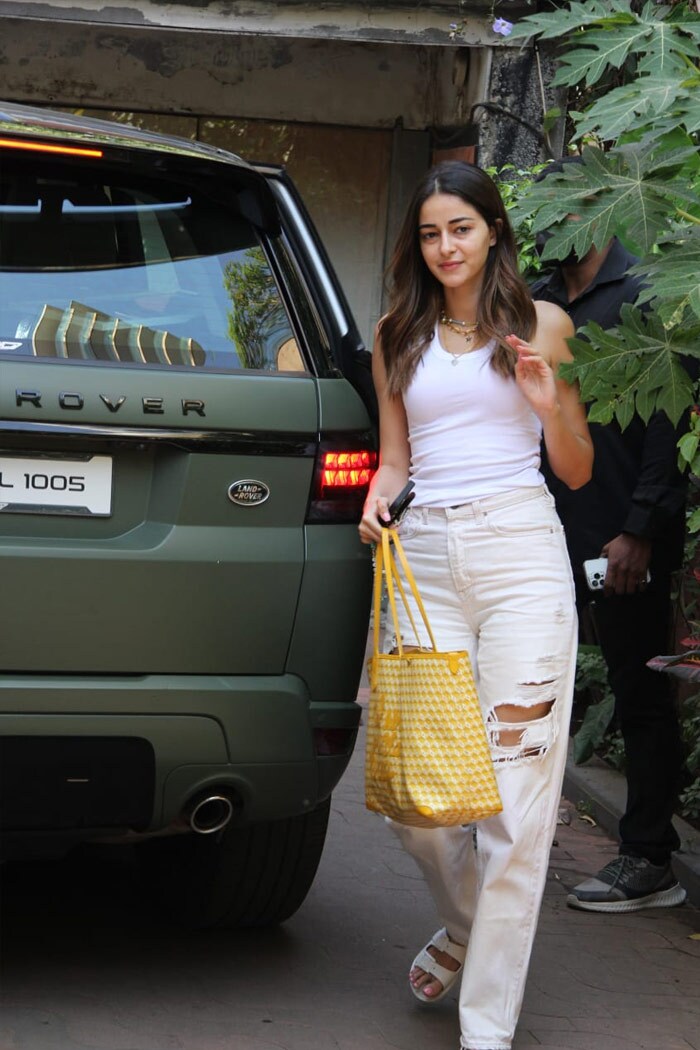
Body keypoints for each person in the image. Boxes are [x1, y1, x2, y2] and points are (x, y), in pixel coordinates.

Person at [358, 159, 593, 1050]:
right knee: (420, 810)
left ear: (492, 229)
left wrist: (546, 401)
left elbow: (575, 468)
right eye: (430, 232)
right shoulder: (396, 333)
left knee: (514, 802)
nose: (446, 246)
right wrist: (379, 498)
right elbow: (397, 460)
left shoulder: (543, 325)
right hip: (424, 563)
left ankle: (485, 1028)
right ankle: (465, 926)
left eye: (461, 227)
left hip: (520, 556)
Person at [531, 160, 688, 913]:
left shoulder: (644, 297)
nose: (553, 225)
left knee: (637, 688)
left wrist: (640, 531)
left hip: (620, 538)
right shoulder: (535, 302)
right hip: (540, 528)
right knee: (532, 677)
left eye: (567, 211)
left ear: (597, 210)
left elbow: (669, 421)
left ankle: (648, 854)